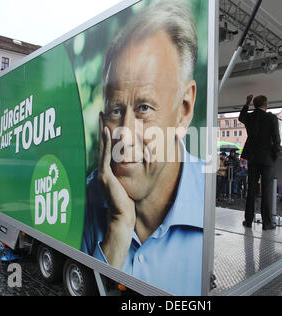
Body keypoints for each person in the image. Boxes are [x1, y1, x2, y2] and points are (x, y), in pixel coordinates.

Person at [81, 0, 203, 296]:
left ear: (184, 110)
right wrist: (119, 226)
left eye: (144, 107)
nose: (126, 134)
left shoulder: (208, 200)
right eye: (115, 110)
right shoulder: (83, 201)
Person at [239, 94, 282, 230]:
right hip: (267, 158)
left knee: (251, 190)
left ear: (254, 105)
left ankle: (248, 221)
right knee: (267, 191)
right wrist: (275, 155)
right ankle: (267, 223)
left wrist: (247, 103)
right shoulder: (271, 118)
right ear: (266, 104)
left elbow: (241, 117)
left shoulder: (250, 117)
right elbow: (276, 139)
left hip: (252, 157)